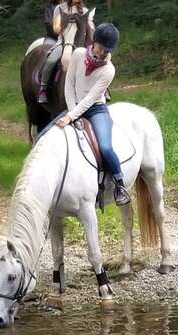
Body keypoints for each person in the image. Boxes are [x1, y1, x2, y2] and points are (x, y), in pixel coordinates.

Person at [56, 23, 130, 206]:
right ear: (94, 42)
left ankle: (119, 184)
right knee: (50, 132)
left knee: (105, 147)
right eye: (102, 48)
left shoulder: (108, 70)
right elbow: (69, 84)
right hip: (73, 107)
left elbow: (90, 99)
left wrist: (72, 116)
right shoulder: (78, 54)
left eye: (108, 50)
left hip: (96, 109)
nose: (104, 53)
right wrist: (72, 112)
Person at [38, 0, 94, 104]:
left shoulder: (85, 11)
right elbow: (56, 28)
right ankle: (43, 88)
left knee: (95, 58)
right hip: (64, 41)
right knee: (52, 59)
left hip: (80, 43)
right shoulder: (60, 8)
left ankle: (103, 90)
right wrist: (67, 22)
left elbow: (89, 30)